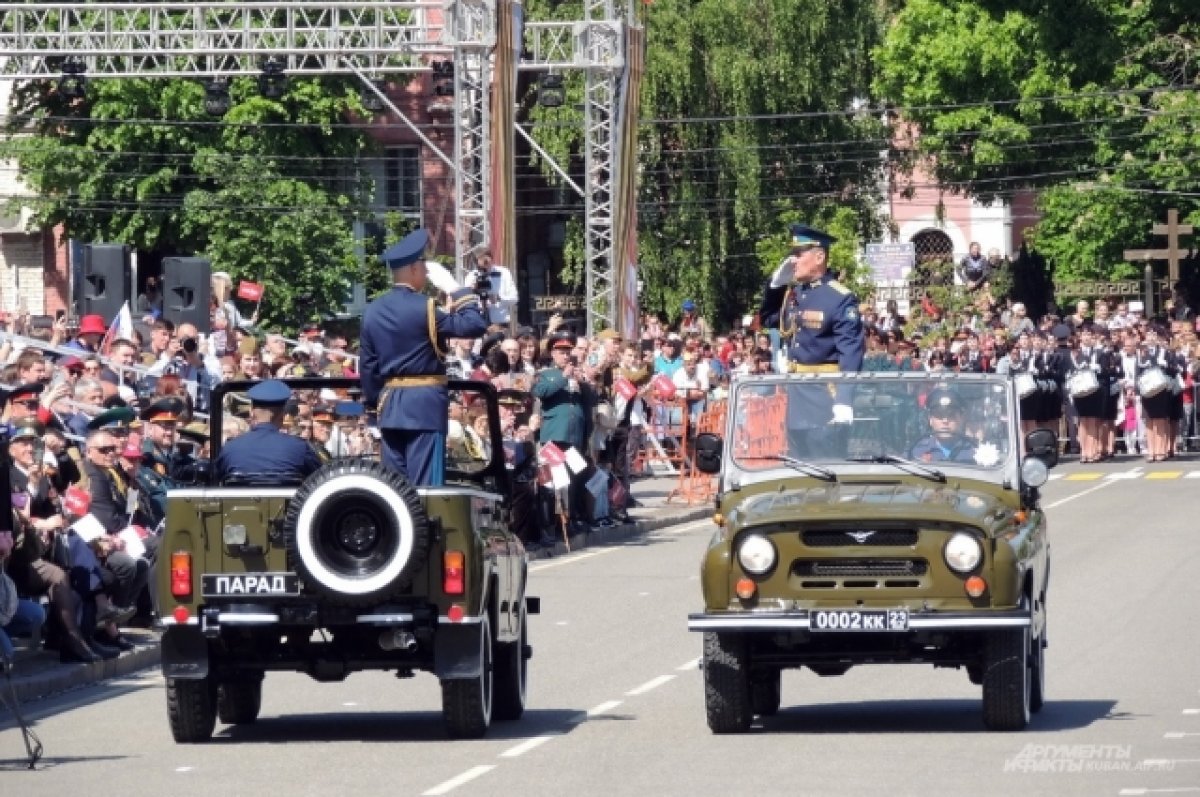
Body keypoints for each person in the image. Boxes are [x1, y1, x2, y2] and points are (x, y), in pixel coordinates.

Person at [359, 228, 488, 486]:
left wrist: (376, 405)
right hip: (425, 407)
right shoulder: (425, 307)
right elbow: (474, 324)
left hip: (389, 407)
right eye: (424, 267)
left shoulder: (372, 311)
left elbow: (369, 367)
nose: (427, 274)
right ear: (414, 269)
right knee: (426, 489)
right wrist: (455, 287)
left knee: (395, 489)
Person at [758, 224, 864, 456]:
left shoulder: (839, 298)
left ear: (819, 256)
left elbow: (851, 353)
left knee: (827, 473)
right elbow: (768, 320)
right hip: (797, 399)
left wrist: (844, 400)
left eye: (799, 253)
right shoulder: (796, 295)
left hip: (825, 399)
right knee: (800, 476)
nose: (793, 260)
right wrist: (775, 286)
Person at [212, 380, 323, 484]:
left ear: (251, 413)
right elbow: (319, 480)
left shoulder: (231, 448)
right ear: (282, 416)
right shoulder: (300, 448)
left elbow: (216, 480)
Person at [910, 386, 979, 463]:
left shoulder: (975, 451)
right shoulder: (916, 451)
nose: (945, 421)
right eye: (939, 415)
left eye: (951, 415)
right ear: (930, 419)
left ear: (961, 418)